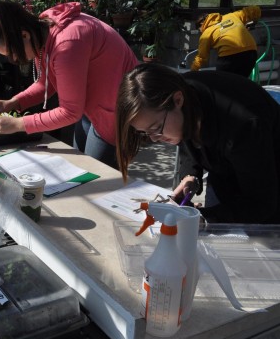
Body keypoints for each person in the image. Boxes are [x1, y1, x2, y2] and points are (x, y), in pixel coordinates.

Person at [115, 63, 280, 224]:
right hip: (226, 175)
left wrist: (203, 218)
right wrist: (190, 175)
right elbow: (187, 134)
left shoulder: (244, 124)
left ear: (178, 100)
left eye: (156, 128)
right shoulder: (181, 96)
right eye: (145, 132)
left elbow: (262, 203)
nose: (154, 138)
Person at [0, 0, 139, 168]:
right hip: (92, 107)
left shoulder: (67, 43)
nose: (13, 59)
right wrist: (14, 102)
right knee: (81, 168)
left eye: (11, 52)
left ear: (24, 35)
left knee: (95, 177)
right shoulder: (42, 32)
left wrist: (19, 124)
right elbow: (46, 83)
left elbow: (70, 112)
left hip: (117, 110)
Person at [190, 5, 261, 77]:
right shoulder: (232, 16)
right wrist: (253, 22)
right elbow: (255, 9)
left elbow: (201, 57)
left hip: (229, 56)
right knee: (241, 83)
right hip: (251, 51)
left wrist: (192, 72)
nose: (201, 32)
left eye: (200, 31)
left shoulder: (206, 33)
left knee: (223, 84)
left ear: (201, 24)